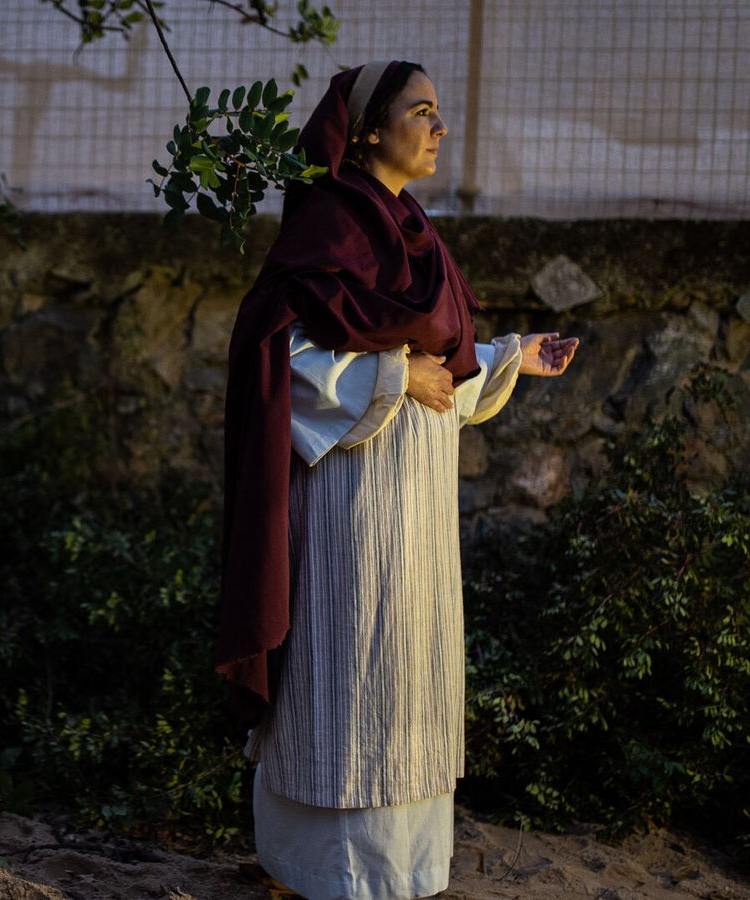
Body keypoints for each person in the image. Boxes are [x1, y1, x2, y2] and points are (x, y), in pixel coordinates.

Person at [216, 61, 579, 900]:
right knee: (346, 674)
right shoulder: (329, 228)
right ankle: (321, 873)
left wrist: (508, 357)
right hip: (348, 503)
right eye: (423, 111)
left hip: (414, 510)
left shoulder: (418, 233)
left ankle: (402, 871)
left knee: (406, 672)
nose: (439, 127)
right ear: (371, 129)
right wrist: (390, 378)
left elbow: (440, 369)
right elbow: (283, 357)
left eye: (439, 112)